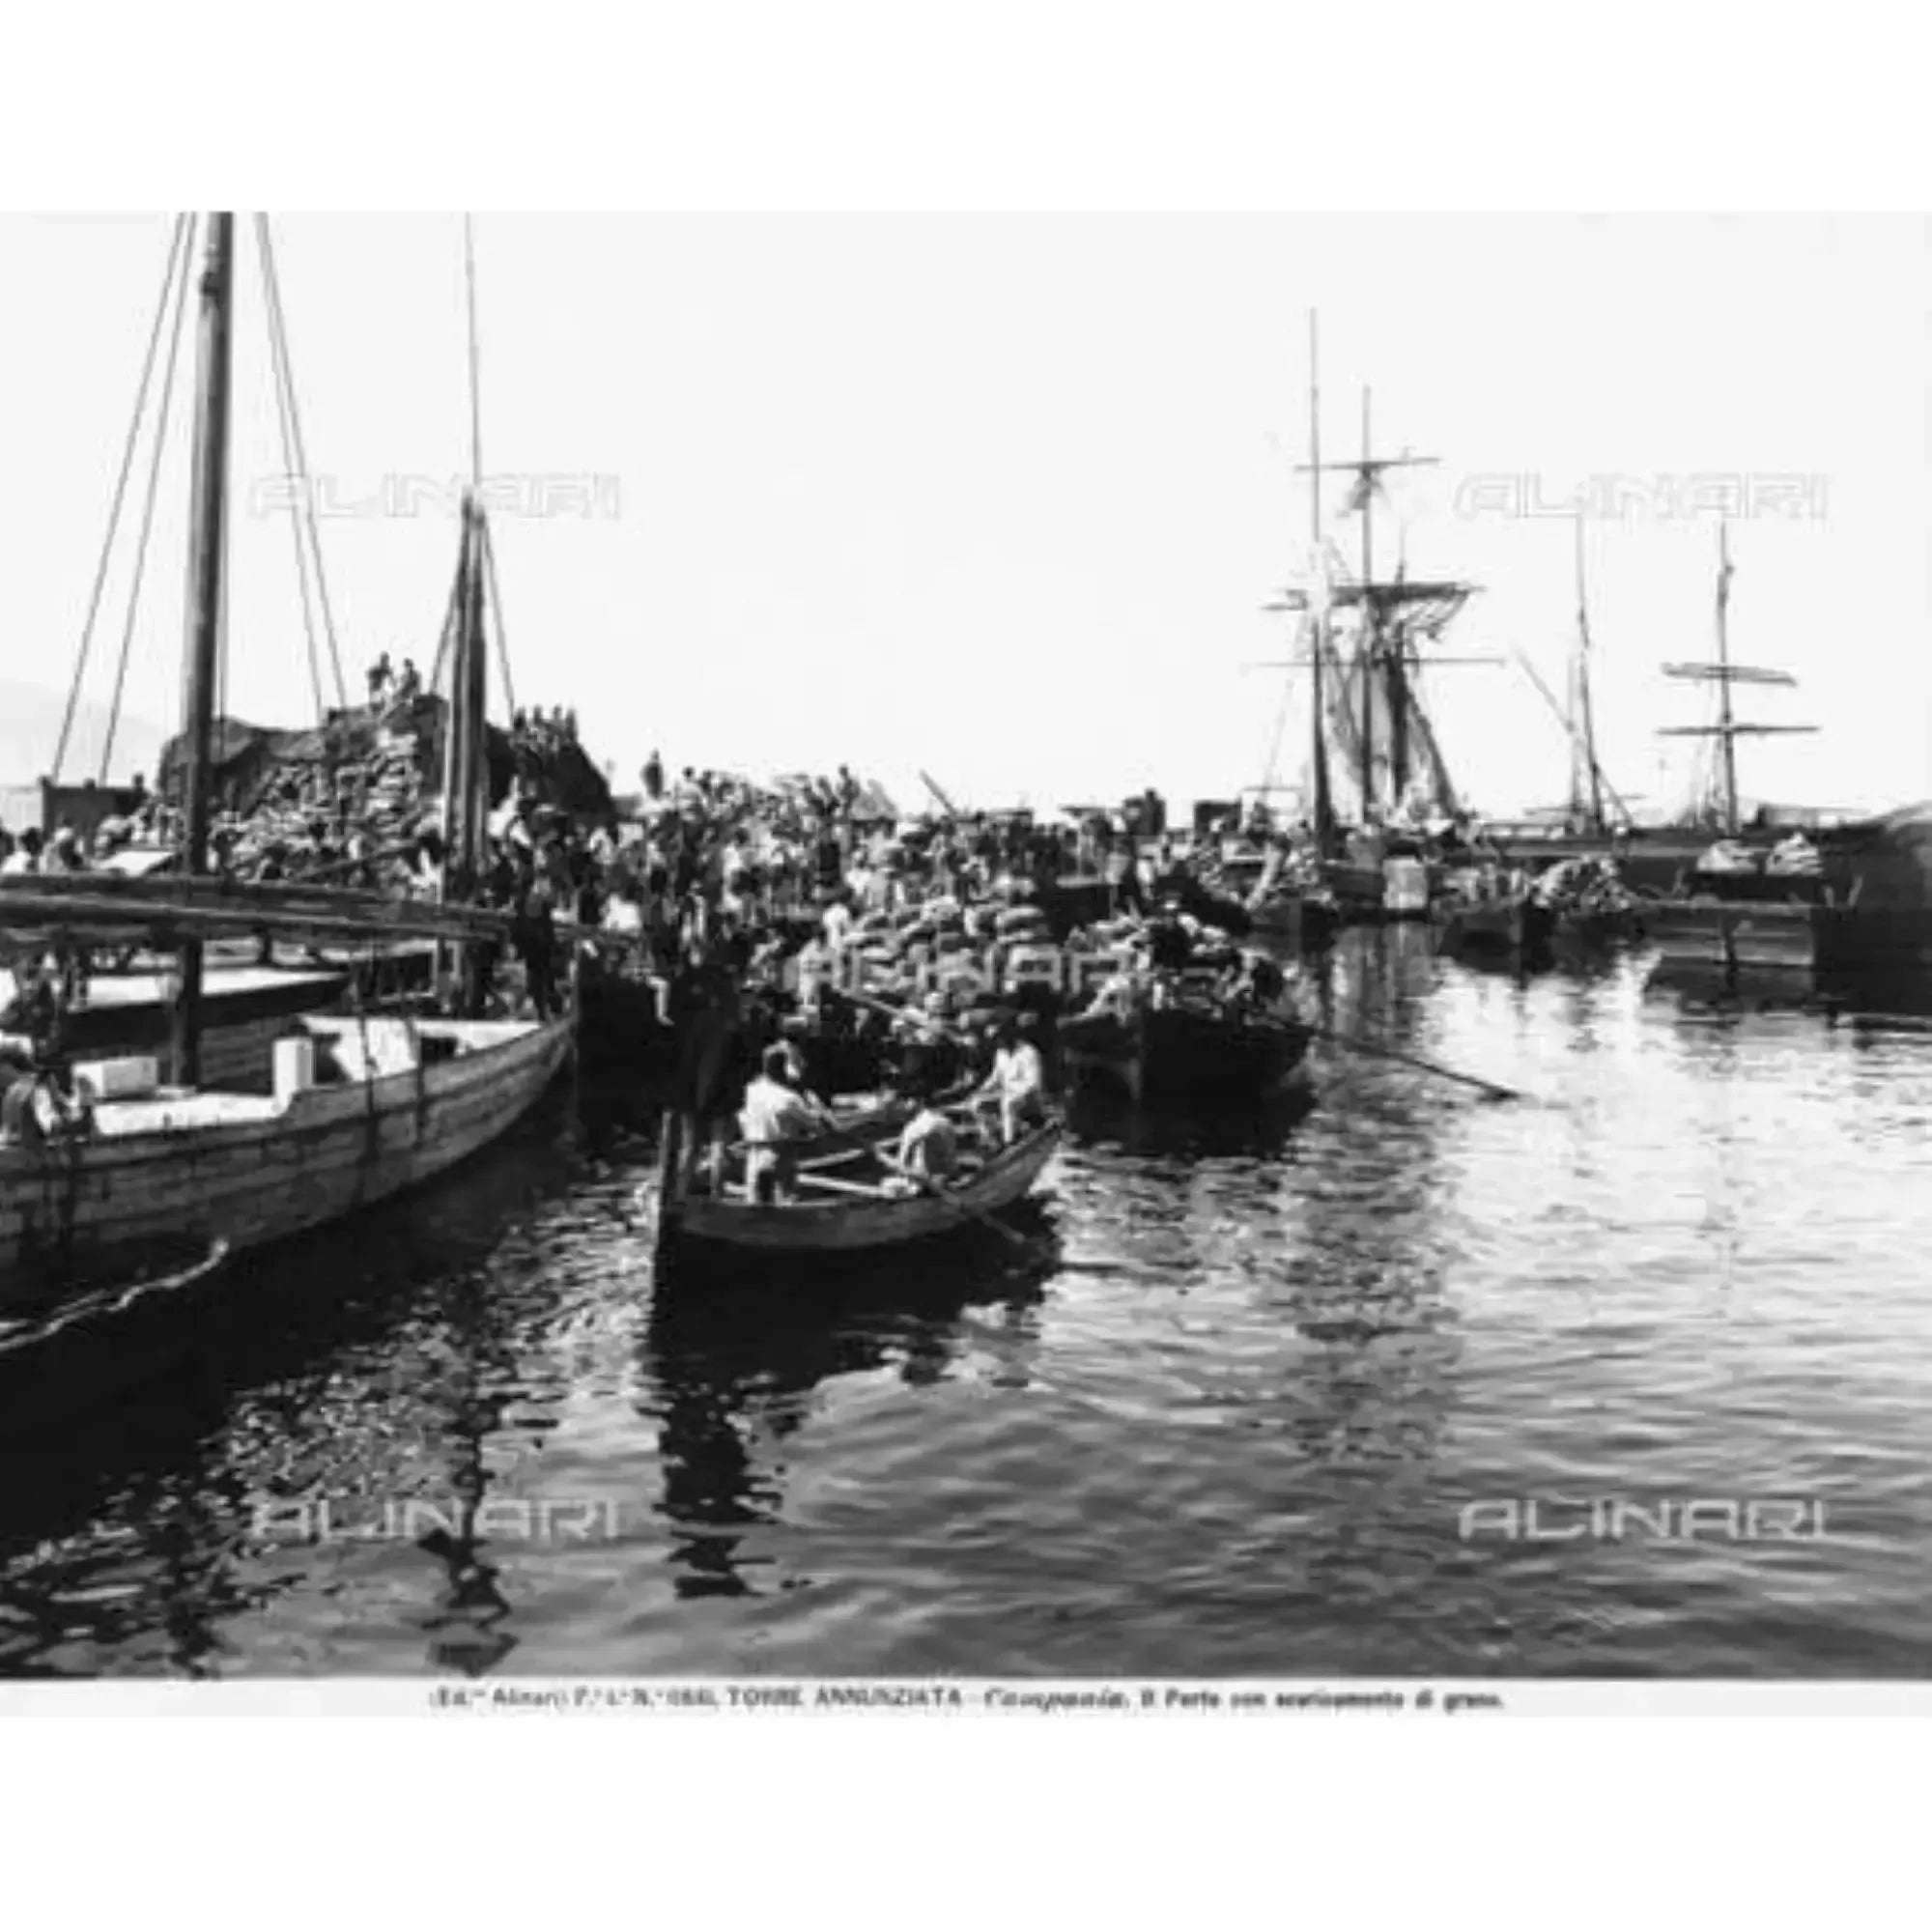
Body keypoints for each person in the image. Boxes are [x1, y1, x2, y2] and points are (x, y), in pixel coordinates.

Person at [740, 1042, 829, 1204]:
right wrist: (816, 1107)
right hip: (780, 1155)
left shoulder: (749, 1091)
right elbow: (818, 1128)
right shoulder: (788, 1098)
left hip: (753, 1153)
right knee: (784, 1203)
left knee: (754, 1204)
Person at [977, 1015, 1046, 1145]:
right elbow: (995, 1077)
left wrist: (1011, 1091)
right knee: (978, 1103)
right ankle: (991, 1140)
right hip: (1006, 1092)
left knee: (1008, 1103)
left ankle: (1009, 1141)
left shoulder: (1028, 1052)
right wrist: (983, 1089)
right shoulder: (1000, 1053)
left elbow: (1033, 1084)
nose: (996, 1042)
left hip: (1028, 1097)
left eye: (998, 1038)